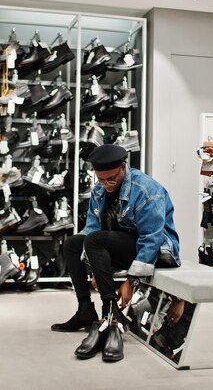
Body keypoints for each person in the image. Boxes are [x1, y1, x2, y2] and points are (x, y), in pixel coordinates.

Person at [51, 144, 181, 362]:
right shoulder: (99, 190)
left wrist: (131, 281)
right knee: (73, 243)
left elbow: (151, 239)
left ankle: (110, 313)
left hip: (156, 250)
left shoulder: (147, 190)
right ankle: (85, 309)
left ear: (123, 167)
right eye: (100, 180)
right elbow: (93, 229)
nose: (106, 185)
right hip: (121, 246)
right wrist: (93, 267)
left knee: (94, 240)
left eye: (110, 179)